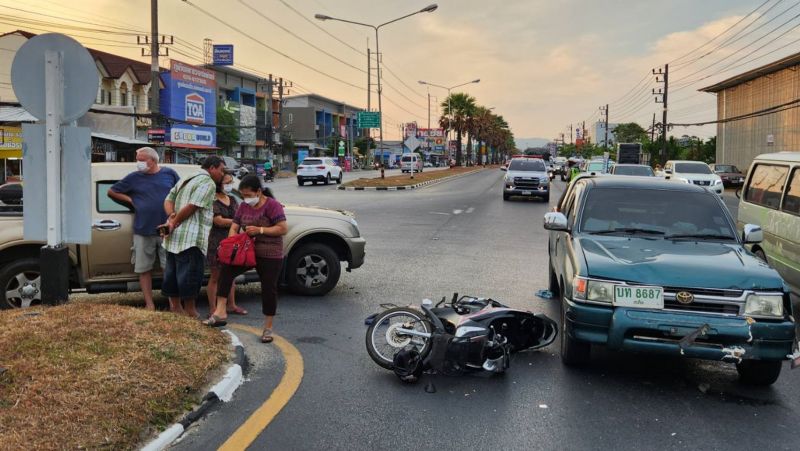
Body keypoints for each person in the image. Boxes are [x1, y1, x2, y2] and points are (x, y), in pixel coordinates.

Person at [205, 175, 288, 344]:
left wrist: (260, 230)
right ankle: (220, 312)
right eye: (243, 195)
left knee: (268, 288)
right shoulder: (243, 206)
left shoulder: (273, 206)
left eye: (249, 195)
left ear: (259, 191)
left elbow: (282, 228)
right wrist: (232, 242)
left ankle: (268, 327)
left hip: (270, 253)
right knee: (226, 271)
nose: (246, 199)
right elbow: (235, 225)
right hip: (247, 251)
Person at [108, 147, 179, 310]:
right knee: (143, 268)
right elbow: (112, 191)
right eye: (137, 159)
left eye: (141, 160)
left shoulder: (170, 174)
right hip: (143, 229)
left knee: (168, 268)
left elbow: (180, 192)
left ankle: (174, 304)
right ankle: (150, 304)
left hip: (167, 230)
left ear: (152, 160)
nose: (138, 163)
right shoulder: (133, 178)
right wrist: (131, 200)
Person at [160, 156, 226, 318]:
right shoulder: (207, 182)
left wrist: (171, 216)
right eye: (221, 170)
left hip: (174, 238)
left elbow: (168, 200)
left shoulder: (187, 177)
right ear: (212, 168)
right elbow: (193, 206)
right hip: (191, 238)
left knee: (173, 275)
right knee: (191, 276)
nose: (222, 174)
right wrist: (174, 222)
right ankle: (190, 312)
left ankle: (176, 308)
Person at [206, 172, 247, 317]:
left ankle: (231, 305)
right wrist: (236, 222)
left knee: (230, 275)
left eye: (231, 182)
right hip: (217, 242)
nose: (229, 185)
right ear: (218, 184)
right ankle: (213, 308)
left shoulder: (231, 199)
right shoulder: (212, 200)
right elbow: (218, 221)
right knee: (216, 276)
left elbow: (239, 215)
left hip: (232, 241)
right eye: (227, 182)